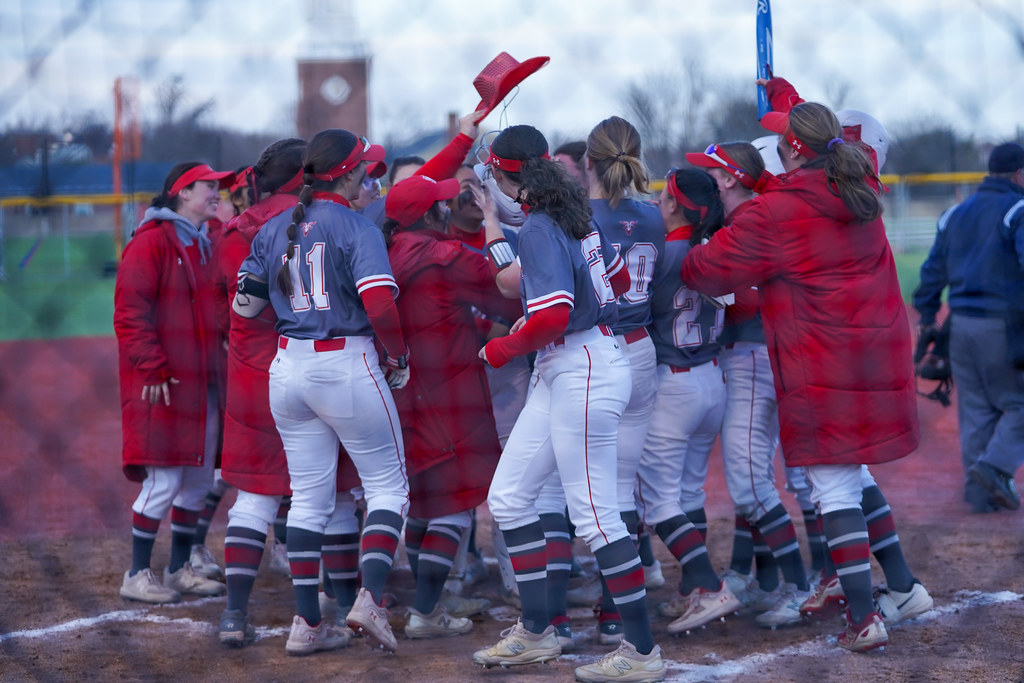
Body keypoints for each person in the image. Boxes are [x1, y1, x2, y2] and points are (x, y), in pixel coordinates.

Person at [682, 100, 921, 652]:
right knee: (851, 475)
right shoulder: (858, 189)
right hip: (874, 351)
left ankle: (863, 619)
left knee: (831, 485)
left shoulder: (777, 210)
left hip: (822, 356)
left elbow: (708, 270)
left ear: (791, 149)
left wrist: (694, 241)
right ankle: (901, 588)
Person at [472, 124, 664, 683]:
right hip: (579, 361)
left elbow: (553, 313)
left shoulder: (539, 224)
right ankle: (537, 633)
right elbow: (618, 277)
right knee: (509, 498)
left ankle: (641, 651)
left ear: (509, 176)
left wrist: (502, 347)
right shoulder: (574, 211)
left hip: (582, 365)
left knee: (594, 514)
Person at [233, 129, 411, 655]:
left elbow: (244, 308)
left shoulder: (273, 229)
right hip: (345, 363)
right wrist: (397, 355)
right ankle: (369, 599)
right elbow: (380, 304)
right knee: (387, 488)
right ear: (349, 172)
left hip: (288, 369)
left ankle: (307, 624)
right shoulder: (356, 225)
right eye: (366, 169)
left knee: (307, 500)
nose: (370, 178)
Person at [382, 174, 523, 639]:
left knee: (422, 502)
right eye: (440, 204)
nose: (447, 208)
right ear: (428, 214)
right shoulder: (443, 255)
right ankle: (425, 611)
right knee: (454, 507)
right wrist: (493, 223)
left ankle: (433, 598)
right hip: (449, 394)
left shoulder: (383, 251)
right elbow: (508, 288)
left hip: (400, 391)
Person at [685, 141, 812, 628]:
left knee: (749, 482)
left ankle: (799, 586)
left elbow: (753, 300)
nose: (708, 181)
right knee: (754, 478)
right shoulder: (743, 220)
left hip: (755, 356)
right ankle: (777, 581)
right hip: (750, 355)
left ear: (730, 178)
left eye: (713, 173)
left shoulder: (755, 220)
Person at [114, 162, 234, 604]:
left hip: (202, 381)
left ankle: (181, 568)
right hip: (163, 380)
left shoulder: (203, 244)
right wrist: (151, 366)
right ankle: (137, 573)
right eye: (209, 186)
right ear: (182, 192)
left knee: (199, 480)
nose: (217, 192)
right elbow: (130, 312)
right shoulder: (152, 243)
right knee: (163, 480)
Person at [633, 167, 741, 635]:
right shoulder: (714, 246)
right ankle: (692, 593)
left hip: (673, 382)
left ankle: (710, 586)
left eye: (663, 195)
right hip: (712, 378)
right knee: (689, 491)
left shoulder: (665, 252)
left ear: (674, 203)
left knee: (657, 503)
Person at [913, 142, 1024, 512]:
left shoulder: (956, 212)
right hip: (1004, 326)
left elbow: (932, 273)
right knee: (1018, 403)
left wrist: (928, 316)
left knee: (976, 409)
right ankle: (994, 469)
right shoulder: (1018, 208)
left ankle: (979, 493)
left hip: (959, 326)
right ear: (1019, 174)